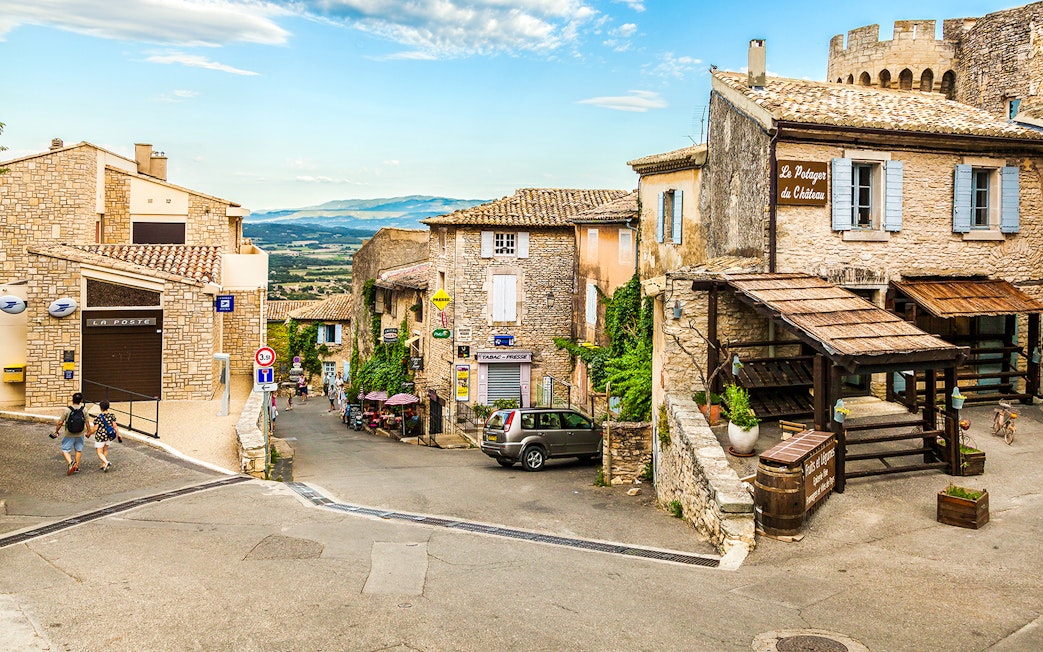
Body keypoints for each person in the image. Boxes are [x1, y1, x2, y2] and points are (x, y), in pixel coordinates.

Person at [53, 392, 89, 475]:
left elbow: (60, 422)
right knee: (78, 449)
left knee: (65, 450)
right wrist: (89, 432)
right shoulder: (84, 409)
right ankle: (76, 466)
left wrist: (56, 431)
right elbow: (87, 422)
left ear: (72, 400)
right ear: (81, 400)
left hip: (69, 433)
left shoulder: (67, 410)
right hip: (80, 433)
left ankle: (70, 462)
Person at [91, 400, 120, 472]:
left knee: (99, 452)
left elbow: (95, 428)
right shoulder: (111, 416)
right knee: (105, 449)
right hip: (109, 436)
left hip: (100, 437)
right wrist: (118, 434)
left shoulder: (98, 418)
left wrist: (89, 433)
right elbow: (115, 426)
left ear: (100, 407)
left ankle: (106, 462)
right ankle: (103, 464)